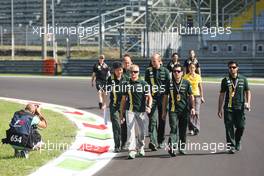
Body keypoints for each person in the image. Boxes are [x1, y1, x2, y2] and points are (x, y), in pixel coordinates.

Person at [217, 61, 251, 154]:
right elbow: (222, 95)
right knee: (229, 127)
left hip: (240, 108)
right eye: (230, 67)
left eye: (233, 67)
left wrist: (248, 103)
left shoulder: (243, 79)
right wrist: (219, 109)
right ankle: (231, 146)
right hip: (228, 108)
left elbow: (248, 91)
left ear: (237, 68)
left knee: (241, 127)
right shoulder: (225, 80)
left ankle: (237, 141)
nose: (232, 69)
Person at [120, 64, 152, 159]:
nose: (133, 73)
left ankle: (141, 147)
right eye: (132, 72)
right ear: (129, 73)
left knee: (142, 132)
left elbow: (149, 97)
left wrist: (149, 106)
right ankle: (132, 150)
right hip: (129, 111)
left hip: (141, 111)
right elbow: (123, 100)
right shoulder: (126, 84)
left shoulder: (144, 84)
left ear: (138, 73)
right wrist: (121, 113)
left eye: (135, 72)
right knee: (130, 130)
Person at [162, 64, 195, 157]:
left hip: (184, 111)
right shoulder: (169, 83)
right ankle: (172, 147)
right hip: (173, 110)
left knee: (183, 130)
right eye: (174, 71)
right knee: (173, 128)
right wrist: (164, 111)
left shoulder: (186, 83)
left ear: (182, 73)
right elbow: (165, 97)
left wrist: (192, 108)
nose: (176, 73)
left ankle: (182, 147)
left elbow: (191, 96)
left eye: (178, 71)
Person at [145, 53, 170, 151]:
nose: (153, 63)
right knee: (153, 120)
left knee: (162, 120)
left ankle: (160, 140)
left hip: (163, 99)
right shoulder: (148, 71)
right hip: (153, 99)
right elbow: (146, 86)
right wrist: (147, 98)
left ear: (159, 61)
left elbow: (169, 87)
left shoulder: (166, 71)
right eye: (152, 61)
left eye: (154, 61)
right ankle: (153, 141)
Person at [107, 61, 129, 153]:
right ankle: (117, 145)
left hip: (124, 106)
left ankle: (123, 143)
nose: (119, 72)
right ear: (114, 71)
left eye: (120, 70)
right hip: (114, 106)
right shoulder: (110, 79)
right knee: (116, 125)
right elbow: (106, 91)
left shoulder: (127, 78)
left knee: (124, 125)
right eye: (117, 70)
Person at [183, 63, 205, 135]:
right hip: (188, 96)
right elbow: (184, 87)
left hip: (197, 95)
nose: (191, 69)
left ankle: (197, 128)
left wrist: (202, 96)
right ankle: (191, 128)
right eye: (190, 68)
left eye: (193, 68)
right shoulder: (185, 77)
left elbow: (200, 87)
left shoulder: (198, 76)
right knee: (189, 113)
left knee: (196, 112)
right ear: (188, 68)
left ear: (195, 68)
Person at [121, 53, 133, 149]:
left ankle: (132, 141)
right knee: (123, 123)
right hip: (123, 101)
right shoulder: (120, 73)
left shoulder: (134, 72)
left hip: (133, 102)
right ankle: (124, 142)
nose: (127, 64)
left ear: (131, 62)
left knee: (132, 123)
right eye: (125, 62)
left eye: (128, 62)